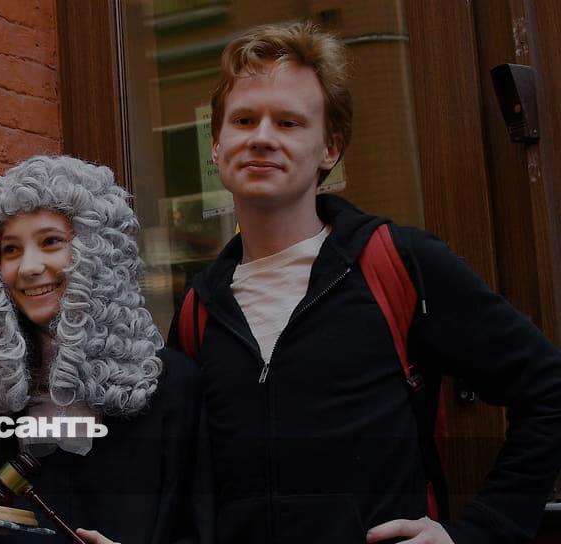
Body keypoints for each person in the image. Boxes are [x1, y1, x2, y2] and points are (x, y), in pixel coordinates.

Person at [169, 20, 561, 543]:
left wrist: (481, 532)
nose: (262, 137)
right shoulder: (199, 310)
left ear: (330, 150)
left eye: (289, 122)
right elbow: (184, 481)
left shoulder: (396, 263)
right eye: (244, 120)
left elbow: (550, 392)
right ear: (217, 146)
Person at [0, 155, 202, 544]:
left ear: (99, 251)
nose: (29, 267)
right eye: (11, 250)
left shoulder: (173, 386)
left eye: (51, 242)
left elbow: (200, 524)